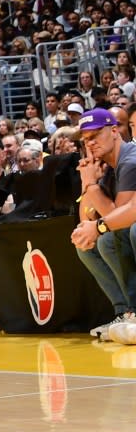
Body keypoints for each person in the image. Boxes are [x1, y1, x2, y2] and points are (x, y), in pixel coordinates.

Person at [69, 108, 136, 340]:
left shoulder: (130, 160)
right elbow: (85, 218)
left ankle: (134, 309)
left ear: (115, 130)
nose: (91, 143)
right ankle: (124, 311)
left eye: (96, 135)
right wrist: (87, 183)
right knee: (86, 246)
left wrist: (91, 185)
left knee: (112, 237)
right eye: (87, 139)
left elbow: (121, 219)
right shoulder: (107, 166)